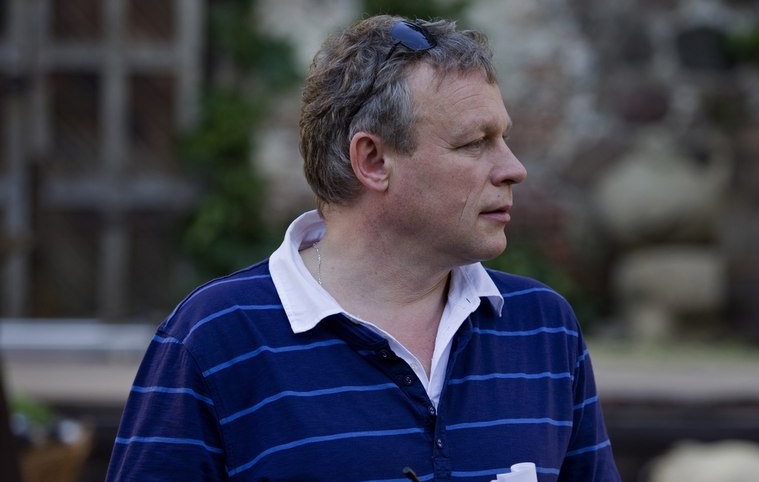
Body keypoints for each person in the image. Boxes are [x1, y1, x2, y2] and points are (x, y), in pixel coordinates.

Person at [105, 14, 621, 482]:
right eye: (474, 143)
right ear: (373, 160)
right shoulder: (216, 338)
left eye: (504, 139)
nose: (513, 169)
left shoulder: (543, 328)